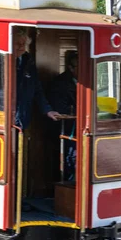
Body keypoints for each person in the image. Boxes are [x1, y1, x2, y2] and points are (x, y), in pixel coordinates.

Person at [14, 28, 60, 129]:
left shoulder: (28, 61)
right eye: (18, 43)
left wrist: (47, 110)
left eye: (24, 44)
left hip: (22, 117)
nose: (21, 47)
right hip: (2, 119)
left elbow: (36, 88)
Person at [48, 51, 78, 181]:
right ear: (70, 68)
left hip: (78, 126)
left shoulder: (84, 80)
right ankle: (69, 183)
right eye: (79, 67)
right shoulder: (60, 83)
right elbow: (61, 108)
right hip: (67, 127)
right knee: (70, 156)